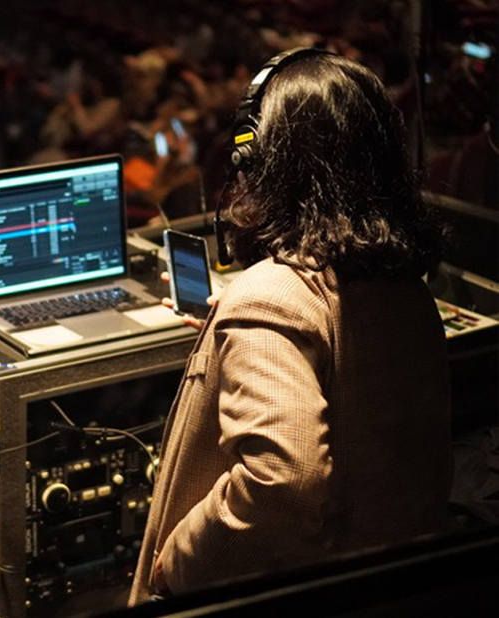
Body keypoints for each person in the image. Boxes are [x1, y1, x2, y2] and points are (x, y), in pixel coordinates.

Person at [130, 50, 452, 605]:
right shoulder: (403, 284)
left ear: (260, 157)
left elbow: (281, 483)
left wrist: (178, 566)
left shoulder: (270, 299)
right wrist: (237, 334)